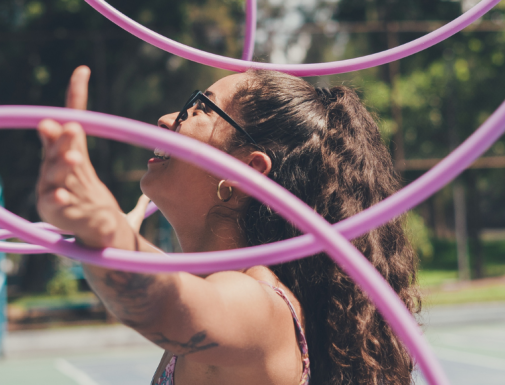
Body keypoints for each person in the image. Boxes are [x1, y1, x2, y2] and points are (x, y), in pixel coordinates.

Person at [36, 65, 420, 385]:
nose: (167, 119)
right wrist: (111, 241)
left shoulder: (256, 304)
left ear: (243, 173)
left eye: (199, 108)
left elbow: (163, 305)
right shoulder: (225, 294)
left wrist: (106, 233)